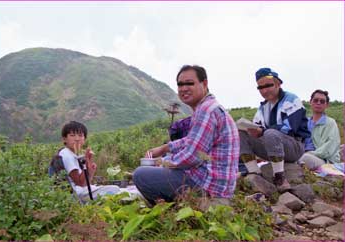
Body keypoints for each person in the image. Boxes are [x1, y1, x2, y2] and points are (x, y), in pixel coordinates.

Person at [133, 65, 240, 206]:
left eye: (190, 83)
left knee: (141, 175)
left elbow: (192, 156)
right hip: (217, 184)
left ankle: (175, 207)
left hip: (208, 186)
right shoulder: (210, 107)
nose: (184, 88)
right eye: (180, 84)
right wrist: (165, 148)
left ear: (204, 83)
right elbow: (192, 140)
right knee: (158, 168)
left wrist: (162, 162)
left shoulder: (205, 111)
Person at [239, 67, 310, 192]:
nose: (264, 90)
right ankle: (254, 173)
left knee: (270, 133)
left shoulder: (292, 100)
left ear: (278, 84)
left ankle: (279, 177)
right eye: (260, 87)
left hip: (294, 147)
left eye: (268, 85)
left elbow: (289, 128)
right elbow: (257, 127)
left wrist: (262, 131)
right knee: (241, 133)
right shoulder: (263, 107)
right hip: (271, 147)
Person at [59, 121, 120, 201]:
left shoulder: (74, 154)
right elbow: (80, 183)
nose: (77, 139)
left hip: (83, 190)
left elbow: (85, 182)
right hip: (78, 194)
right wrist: (87, 161)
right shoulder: (67, 154)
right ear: (64, 139)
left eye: (80, 136)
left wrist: (90, 171)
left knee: (116, 190)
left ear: (84, 139)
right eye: (72, 135)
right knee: (115, 189)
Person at [299, 90, 341, 170]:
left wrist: (310, 153)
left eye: (322, 101)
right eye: (315, 100)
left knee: (305, 158)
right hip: (303, 154)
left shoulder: (330, 123)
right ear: (310, 102)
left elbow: (329, 147)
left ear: (326, 105)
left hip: (323, 159)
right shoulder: (304, 122)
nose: (318, 103)